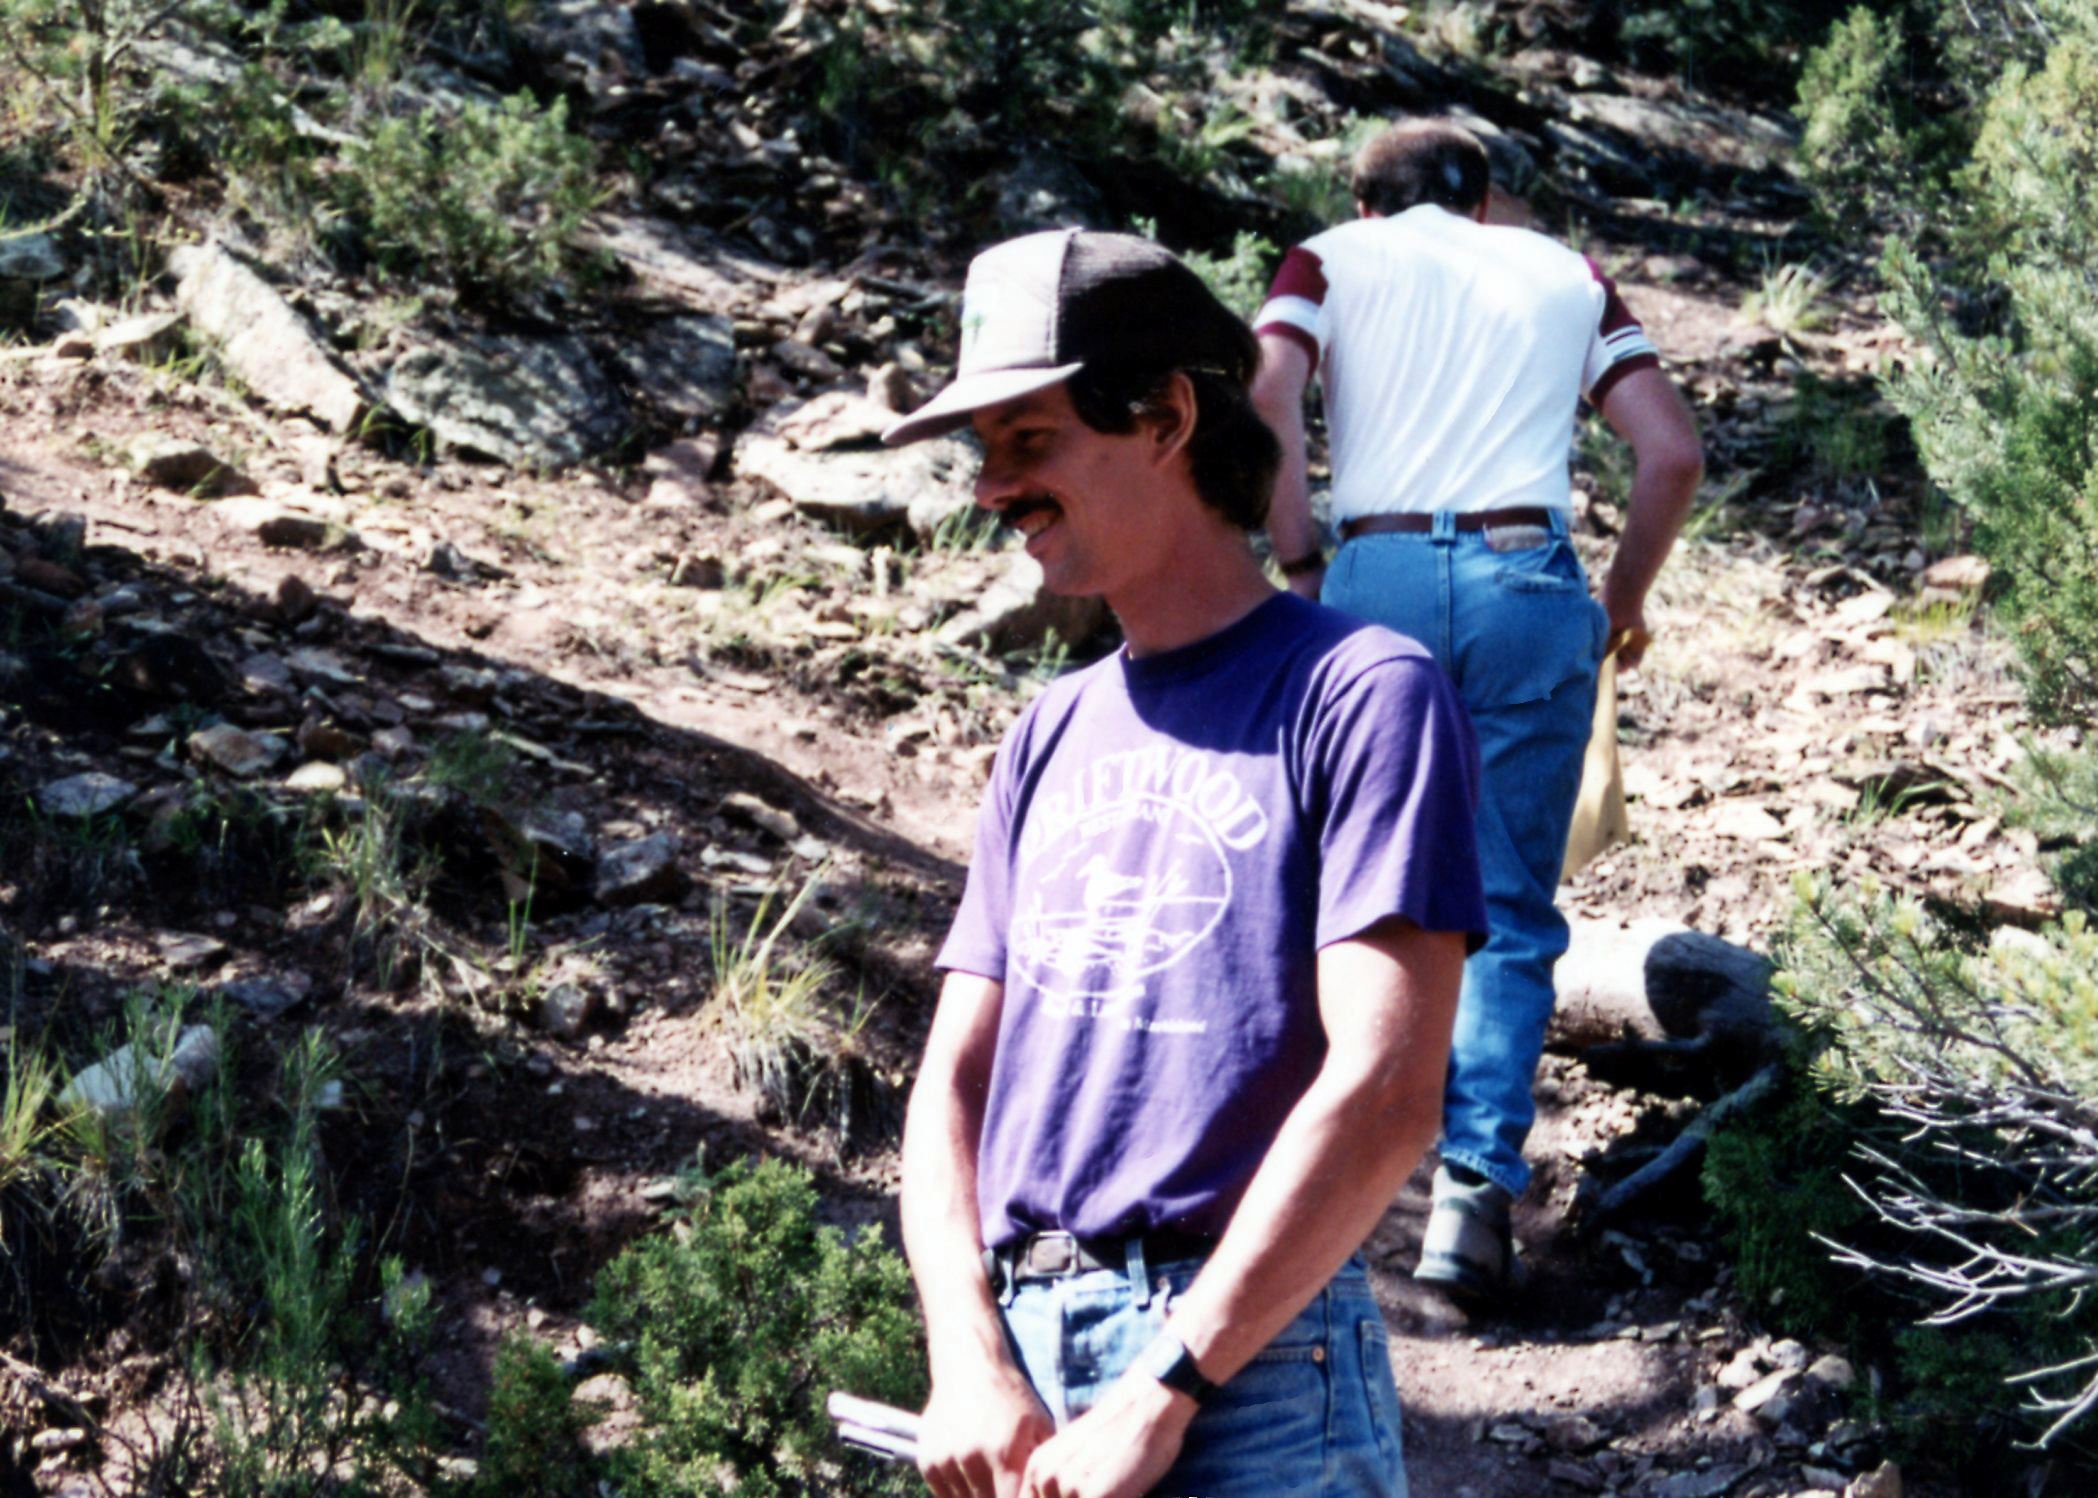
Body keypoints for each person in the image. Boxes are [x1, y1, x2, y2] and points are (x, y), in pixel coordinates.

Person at [883, 227, 1489, 1498]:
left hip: (1249, 1369)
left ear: (1163, 415)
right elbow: (953, 1083)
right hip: (1025, 1367)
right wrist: (967, 1354)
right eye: (980, 453)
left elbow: (1388, 1089)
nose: (992, 488)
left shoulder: (1362, 694)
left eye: (1029, 440)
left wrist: (1167, 1385)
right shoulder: (1050, 725)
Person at [1249, 119, 1705, 1303]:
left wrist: (1300, 560)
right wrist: (1618, 599)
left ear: (1364, 204)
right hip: (1524, 583)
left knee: (1345, 877)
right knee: (1504, 900)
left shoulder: (1323, 262)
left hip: (1376, 578)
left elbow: (1266, 396)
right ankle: (1468, 1205)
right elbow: (1669, 454)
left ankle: (1309, 1187)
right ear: (1486, 201)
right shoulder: (1565, 272)